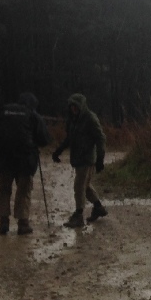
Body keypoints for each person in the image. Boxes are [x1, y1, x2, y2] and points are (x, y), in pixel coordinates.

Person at [0, 92, 51, 235]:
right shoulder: (33, 115)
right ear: (33, 105)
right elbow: (44, 139)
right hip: (25, 161)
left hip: (4, 159)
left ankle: (3, 223)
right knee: (23, 192)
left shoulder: (4, 111)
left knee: (4, 190)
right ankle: (23, 224)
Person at [52, 93, 108, 228]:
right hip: (78, 158)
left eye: (76, 106)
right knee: (86, 186)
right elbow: (69, 138)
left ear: (81, 106)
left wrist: (100, 159)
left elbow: (101, 138)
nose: (73, 109)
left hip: (87, 159)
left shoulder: (90, 118)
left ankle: (78, 216)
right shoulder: (72, 119)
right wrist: (58, 150)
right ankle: (98, 207)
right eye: (71, 106)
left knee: (79, 186)